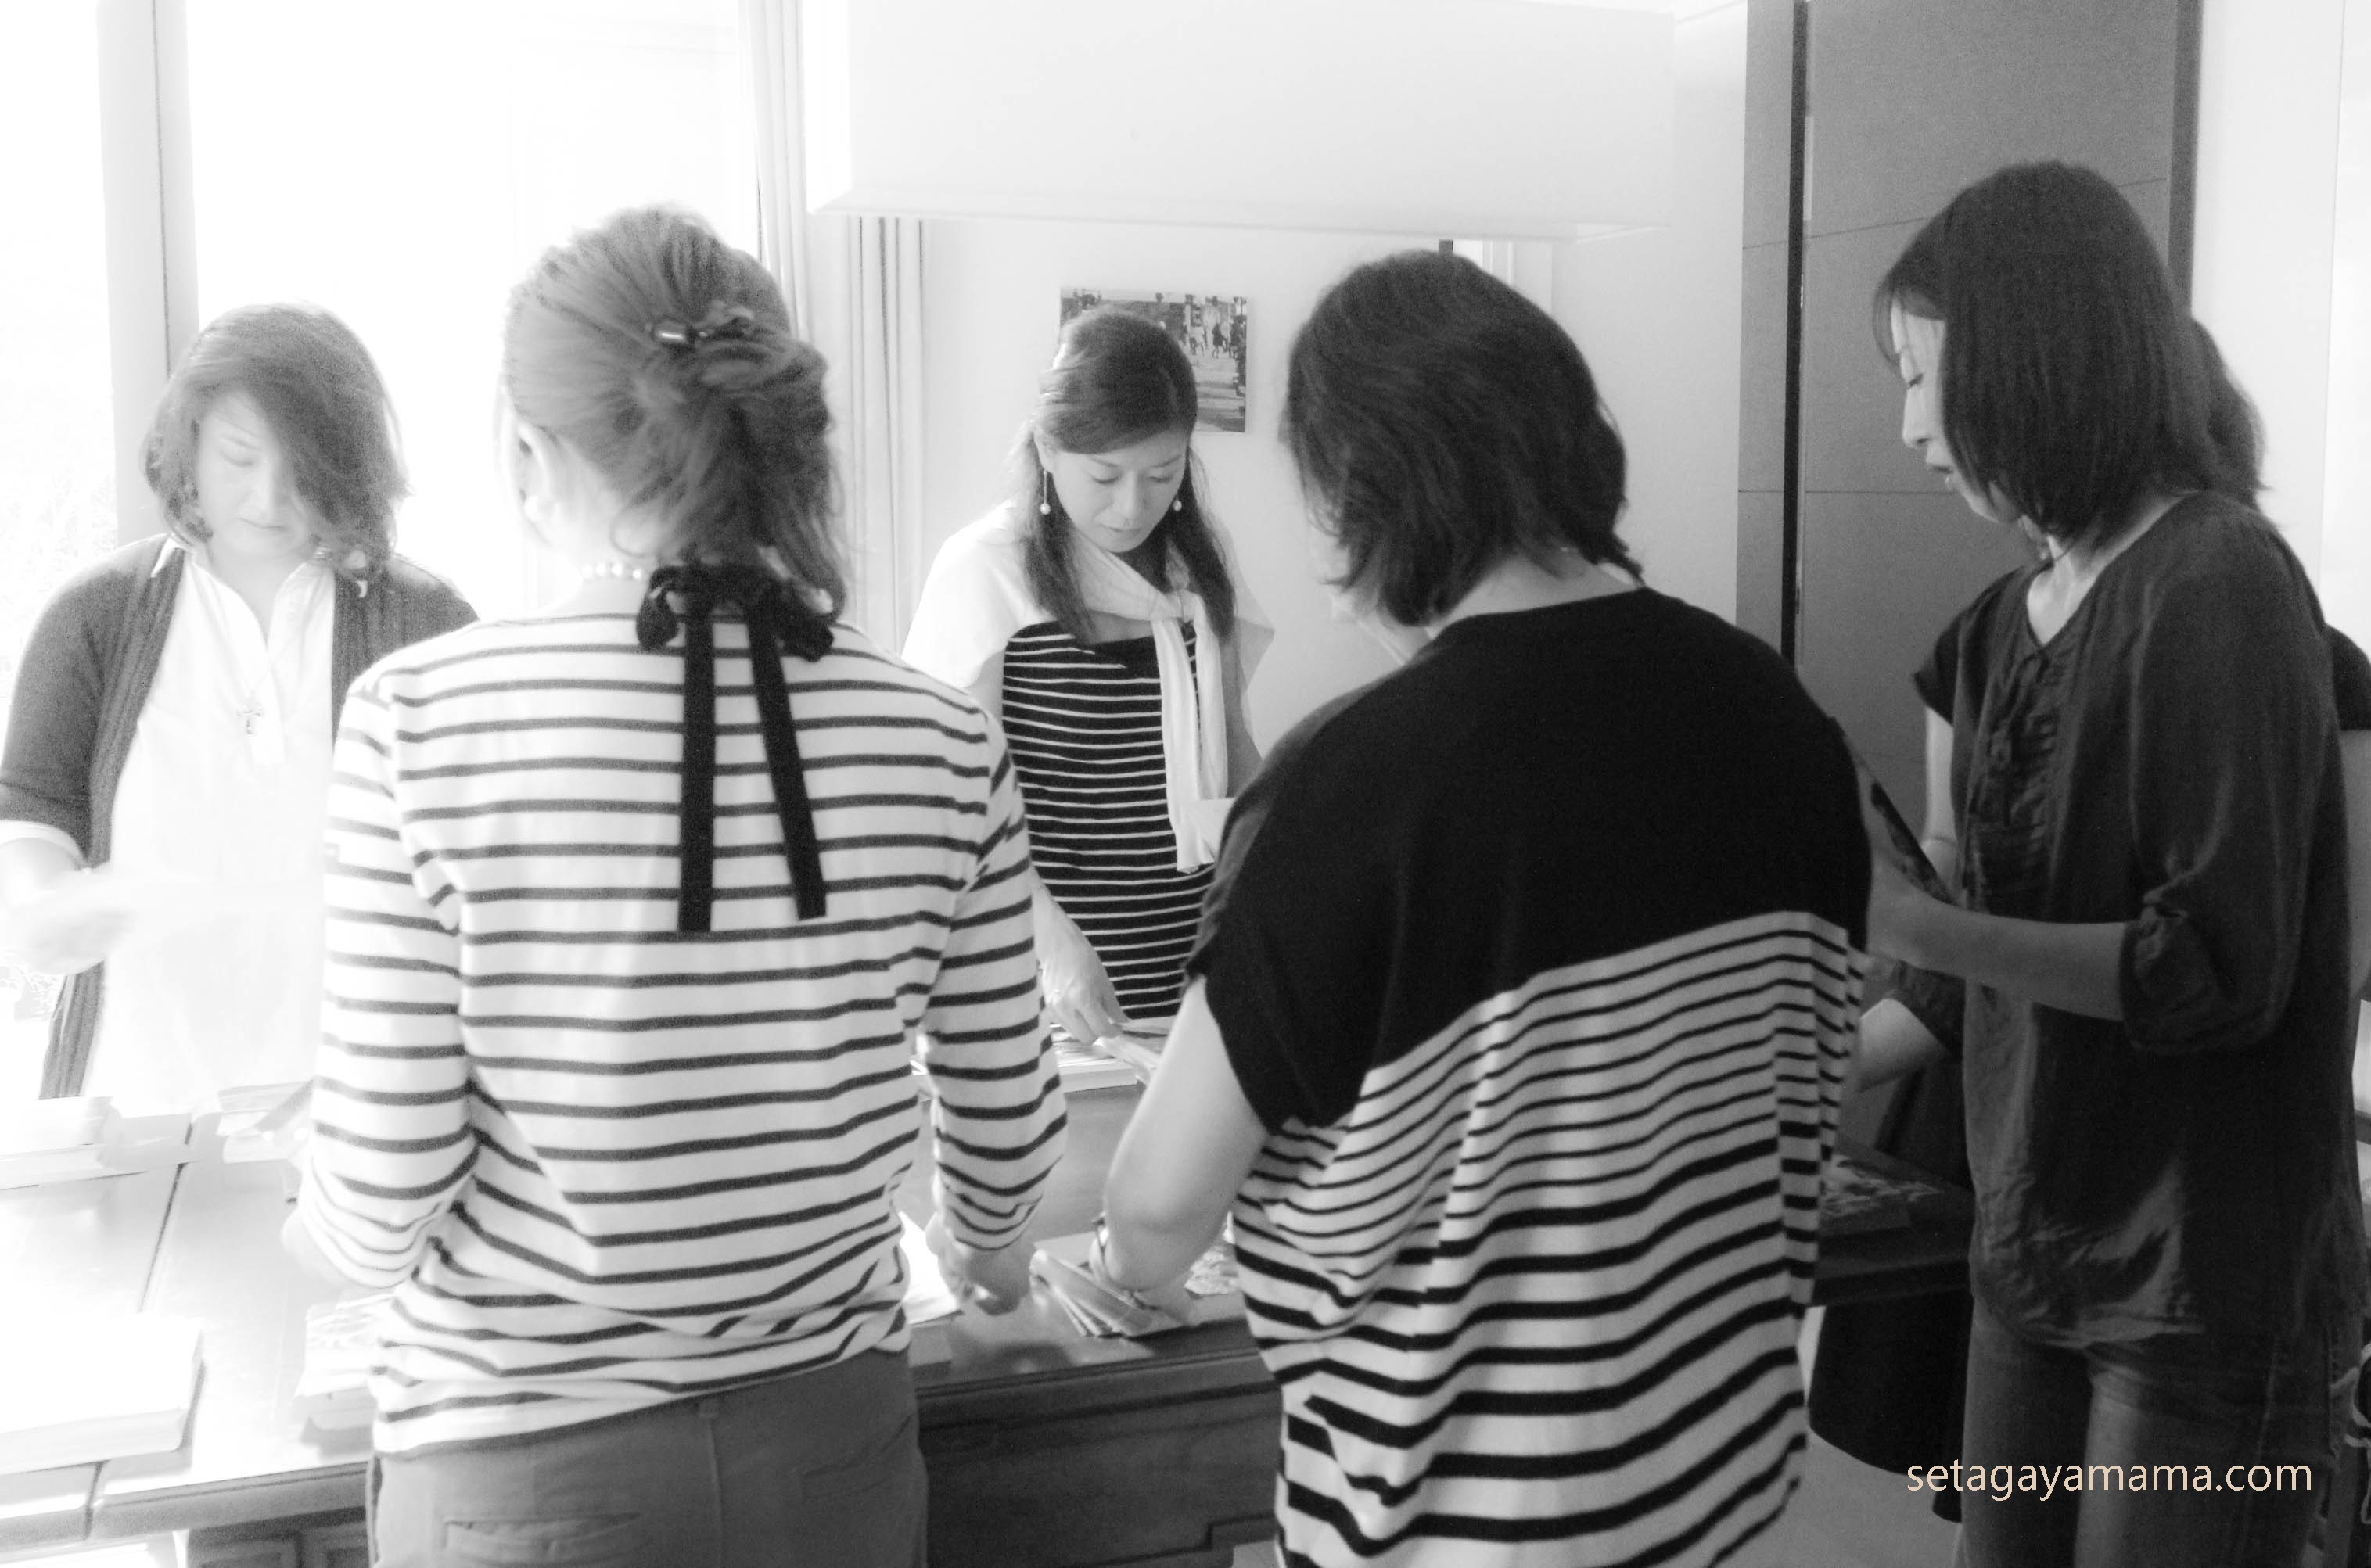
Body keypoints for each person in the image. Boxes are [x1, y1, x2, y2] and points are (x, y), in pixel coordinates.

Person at [282, 208, 1065, 1568]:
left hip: (523, 1468)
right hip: (830, 1453)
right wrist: (987, 1258)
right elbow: (1001, 1120)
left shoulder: (420, 719)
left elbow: (386, 1182)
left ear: (529, 455)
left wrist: (315, 1236)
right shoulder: (941, 736)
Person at [1097, 249, 1871, 1567]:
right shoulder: (1782, 718)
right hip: (1713, 1492)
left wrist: (1128, 1271)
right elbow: (1803, 1066)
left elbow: (1160, 1204)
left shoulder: (1353, 780)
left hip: (1454, 1526)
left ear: (1361, 489)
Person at [1861, 162, 2362, 1568]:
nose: (1908, 426)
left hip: (2199, 1281)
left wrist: (1917, 923)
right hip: (2032, 1247)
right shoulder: (1995, 627)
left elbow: (2216, 970)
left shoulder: (2218, 579)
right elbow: (1967, 958)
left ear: (2027, 354)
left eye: (1920, 375)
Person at [0, 304, 474, 1108]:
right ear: (187, 446)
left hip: (364, 1119)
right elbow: (31, 810)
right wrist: (45, 902)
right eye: (239, 457)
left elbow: (479, 860)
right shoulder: (98, 613)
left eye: (304, 469)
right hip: (137, 1099)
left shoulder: (424, 621)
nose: (268, 497)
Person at [903, 307, 1269, 1048]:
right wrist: (1051, 944)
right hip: (1041, 967)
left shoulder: (1198, 561)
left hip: (1195, 953)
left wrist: (1272, 889)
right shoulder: (986, 569)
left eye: (1162, 474)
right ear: (1047, 447)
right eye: (1105, 475)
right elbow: (960, 801)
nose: (1133, 506)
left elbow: (1234, 747)